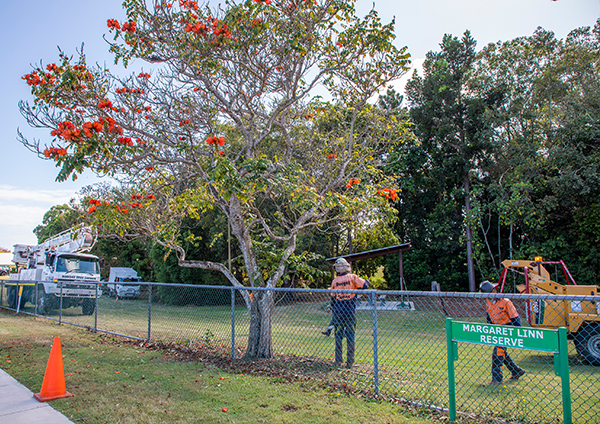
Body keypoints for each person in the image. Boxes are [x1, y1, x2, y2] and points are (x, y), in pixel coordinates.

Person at [324, 257, 369, 368]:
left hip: (338, 313)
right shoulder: (352, 277)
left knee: (338, 337)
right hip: (350, 312)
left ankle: (338, 360)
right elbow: (365, 285)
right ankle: (350, 361)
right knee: (350, 337)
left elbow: (333, 299)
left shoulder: (335, 281)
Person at [480, 280, 526, 385]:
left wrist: (518, 331)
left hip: (507, 328)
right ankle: (516, 370)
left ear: (493, 290)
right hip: (497, 329)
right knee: (501, 352)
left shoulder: (505, 301)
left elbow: (515, 318)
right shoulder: (488, 302)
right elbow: (489, 316)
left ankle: (497, 379)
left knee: (497, 353)